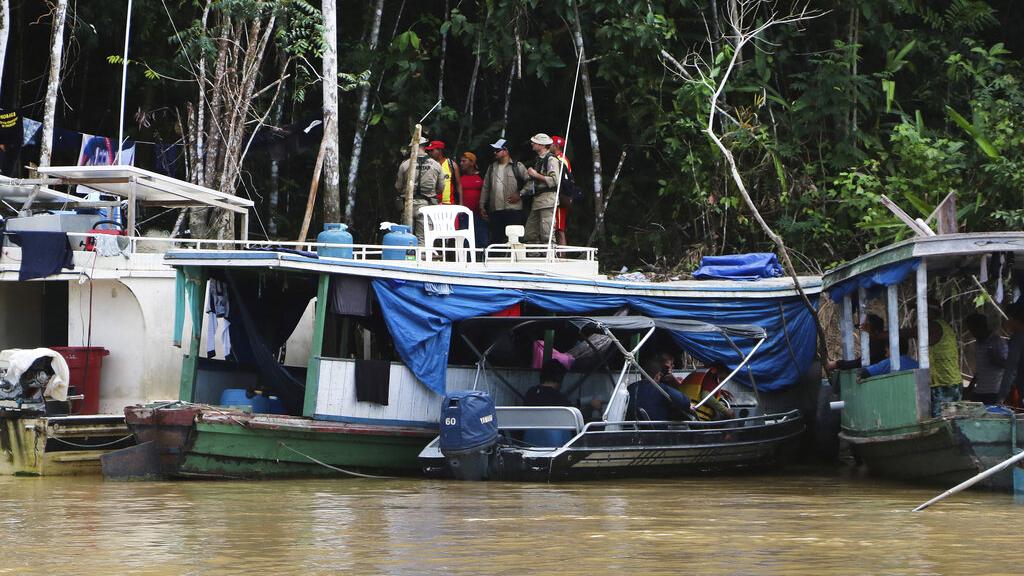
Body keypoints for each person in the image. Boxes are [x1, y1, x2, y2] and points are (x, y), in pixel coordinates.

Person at [394, 137, 444, 245]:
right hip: (427, 205)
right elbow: (441, 188)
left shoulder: (405, 164)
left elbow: (398, 186)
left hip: (408, 205)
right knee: (424, 239)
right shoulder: (436, 165)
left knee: (407, 238)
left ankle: (409, 260)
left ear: (412, 147)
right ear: (425, 147)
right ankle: (423, 258)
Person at [479, 138, 527, 244]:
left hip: (514, 210)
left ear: (506, 151)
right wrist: (482, 205)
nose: (494, 152)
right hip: (496, 210)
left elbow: (530, 183)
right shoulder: (491, 168)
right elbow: (486, 187)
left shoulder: (517, 166)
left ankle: (514, 259)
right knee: (496, 239)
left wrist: (520, 194)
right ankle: (495, 259)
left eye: (497, 150)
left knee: (514, 239)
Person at [626, 355, 694, 421]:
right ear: (658, 375)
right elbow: (684, 402)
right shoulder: (661, 389)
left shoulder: (630, 388)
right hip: (656, 429)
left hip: (632, 428)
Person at [521, 133, 561, 244]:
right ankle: (534, 256)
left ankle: (549, 258)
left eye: (535, 142)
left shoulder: (551, 159)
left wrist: (535, 175)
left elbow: (554, 181)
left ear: (543, 145)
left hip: (547, 200)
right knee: (530, 232)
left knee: (547, 233)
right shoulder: (539, 159)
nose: (532, 144)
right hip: (538, 200)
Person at [925, 299, 962, 417]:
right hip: (951, 382)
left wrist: (881, 334)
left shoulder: (934, 325)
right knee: (951, 419)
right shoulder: (944, 326)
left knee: (942, 420)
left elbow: (911, 332)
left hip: (944, 384)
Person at [963, 314, 1007, 405]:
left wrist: (996, 360)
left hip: (994, 391)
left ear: (982, 326)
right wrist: (970, 387)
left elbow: (1009, 365)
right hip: (979, 391)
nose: (972, 333)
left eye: (973, 329)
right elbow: (980, 370)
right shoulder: (978, 343)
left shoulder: (997, 342)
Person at [458, 151, 489, 249]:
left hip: (479, 213)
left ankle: (483, 259)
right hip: (464, 214)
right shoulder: (459, 177)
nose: (461, 163)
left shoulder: (482, 175)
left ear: (472, 163)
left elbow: (487, 191)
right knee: (465, 239)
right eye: (461, 161)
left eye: (464, 161)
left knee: (482, 238)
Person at [999, 302, 1024, 404]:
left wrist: (1001, 396)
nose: (1007, 322)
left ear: (1016, 320)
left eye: (1009, 318)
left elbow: (1011, 369)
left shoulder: (1018, 339)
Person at [425, 140, 462, 206]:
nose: (429, 153)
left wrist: (461, 203)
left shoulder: (452, 164)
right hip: (432, 204)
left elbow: (458, 185)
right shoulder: (428, 165)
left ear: (440, 150)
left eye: (432, 150)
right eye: (429, 151)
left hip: (449, 203)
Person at [551, 135, 571, 246]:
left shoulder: (561, 159)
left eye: (551, 144)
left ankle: (562, 256)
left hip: (561, 196)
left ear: (557, 146)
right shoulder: (554, 158)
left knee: (559, 229)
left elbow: (564, 180)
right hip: (556, 196)